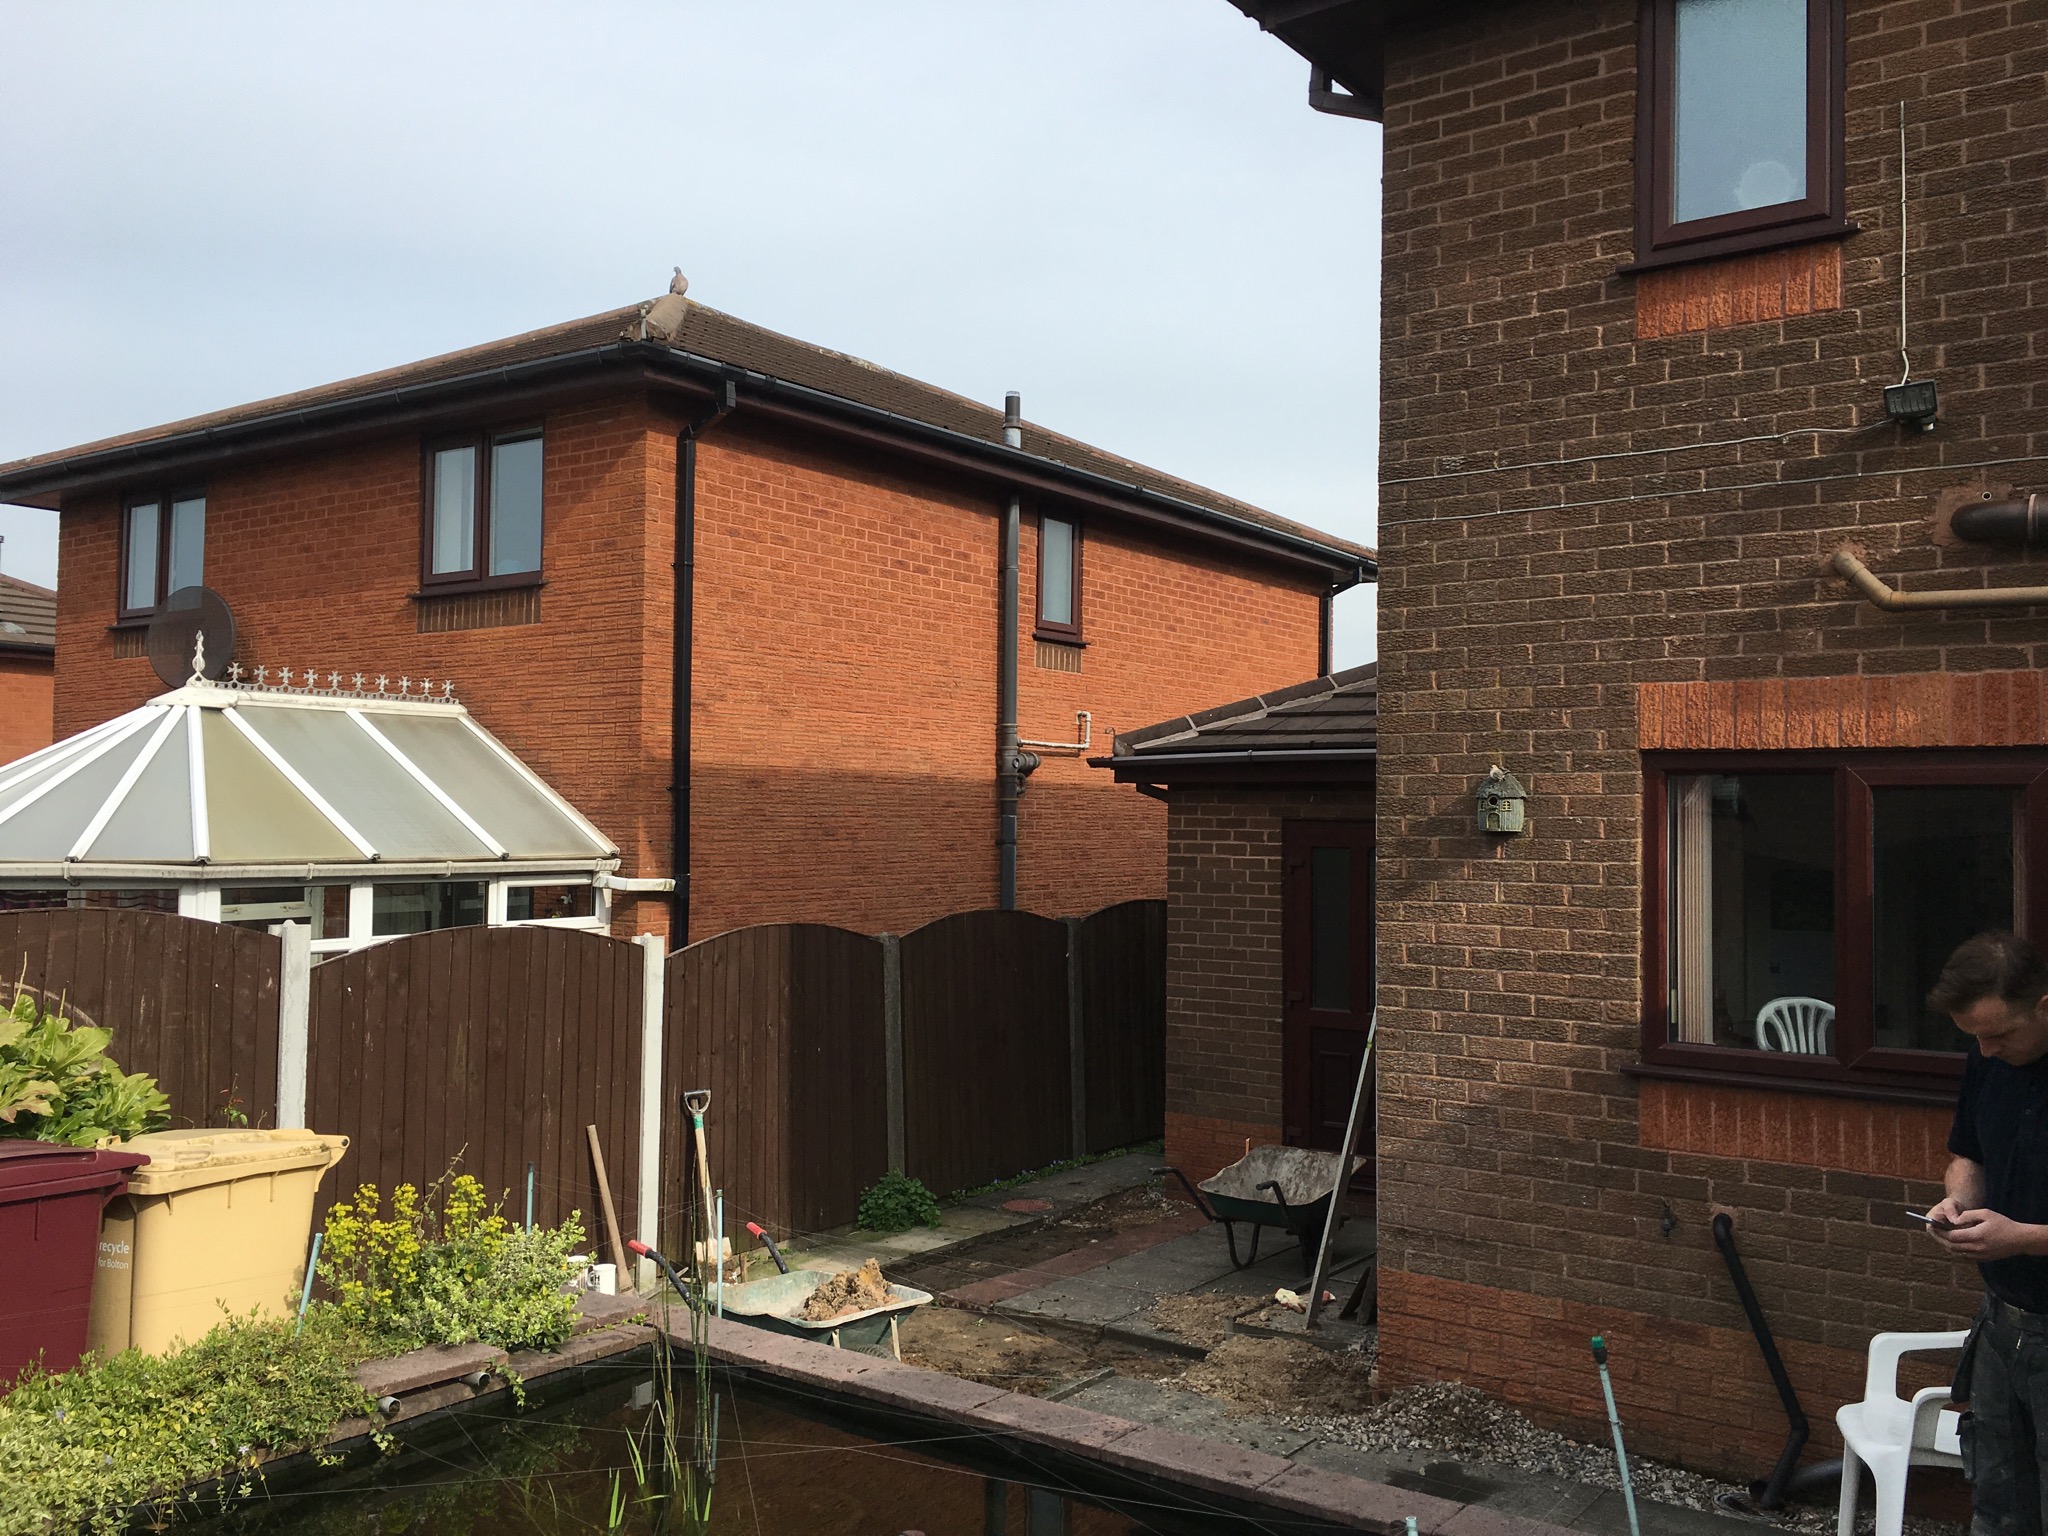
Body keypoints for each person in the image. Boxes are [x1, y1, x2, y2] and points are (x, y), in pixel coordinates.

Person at [1927, 931, 2048, 1536]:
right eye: (1974, 1036)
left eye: (1999, 1033)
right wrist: (1958, 1202)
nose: (1986, 1049)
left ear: (2045, 1007)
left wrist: (2023, 1237)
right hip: (2000, 1324)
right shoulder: (1986, 1058)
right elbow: (1967, 1153)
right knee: (1997, 1507)